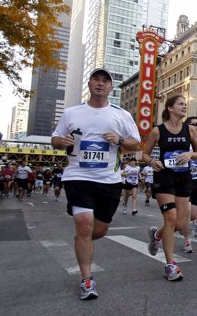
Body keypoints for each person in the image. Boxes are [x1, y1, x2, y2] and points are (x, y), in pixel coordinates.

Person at [51, 68, 141, 299]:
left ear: (110, 87)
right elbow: (55, 139)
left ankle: (83, 241)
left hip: (109, 180)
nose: (100, 84)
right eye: (96, 80)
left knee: (98, 230)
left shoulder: (121, 115)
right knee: (84, 225)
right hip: (77, 176)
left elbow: (136, 144)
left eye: (105, 81)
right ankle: (87, 280)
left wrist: (120, 140)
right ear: (89, 84)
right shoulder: (72, 113)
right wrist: (61, 141)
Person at [143, 95, 197, 281]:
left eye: (186, 104)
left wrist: (190, 154)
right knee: (171, 218)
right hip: (164, 178)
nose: (184, 107)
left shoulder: (190, 130)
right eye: (181, 104)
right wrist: (152, 161)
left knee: (181, 222)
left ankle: (157, 235)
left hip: (184, 177)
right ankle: (170, 265)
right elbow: (143, 154)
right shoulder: (157, 131)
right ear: (170, 108)